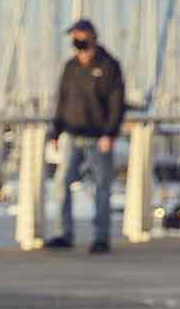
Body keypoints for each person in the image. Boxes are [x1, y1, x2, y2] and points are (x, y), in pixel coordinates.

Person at [46, 19, 126, 253]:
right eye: (73, 36)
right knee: (62, 183)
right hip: (71, 133)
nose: (76, 40)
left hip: (99, 136)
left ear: (91, 36)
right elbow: (62, 100)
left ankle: (101, 237)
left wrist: (109, 133)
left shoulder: (109, 65)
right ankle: (64, 233)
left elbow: (116, 102)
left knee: (101, 186)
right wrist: (56, 130)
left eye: (79, 35)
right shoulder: (71, 67)